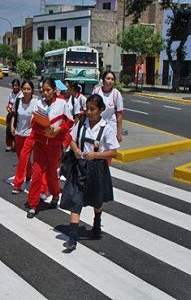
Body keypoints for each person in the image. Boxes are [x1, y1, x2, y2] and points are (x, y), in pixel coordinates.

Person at [60, 94, 119, 251]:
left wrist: (96, 155)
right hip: (80, 167)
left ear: (100, 110)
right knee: (76, 201)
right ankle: (72, 238)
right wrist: (76, 149)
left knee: (97, 201)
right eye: (87, 108)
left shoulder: (107, 128)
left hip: (97, 169)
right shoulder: (80, 124)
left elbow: (113, 152)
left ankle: (97, 222)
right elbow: (71, 139)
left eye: (93, 109)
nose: (89, 112)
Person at [26, 78, 74, 218]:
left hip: (54, 145)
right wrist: (43, 132)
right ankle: (33, 204)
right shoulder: (38, 103)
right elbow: (34, 124)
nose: (45, 93)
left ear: (54, 90)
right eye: (43, 90)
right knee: (37, 174)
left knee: (52, 173)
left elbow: (69, 122)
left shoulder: (62, 104)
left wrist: (59, 129)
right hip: (40, 144)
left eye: (48, 90)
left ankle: (55, 194)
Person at [10, 80, 38, 193]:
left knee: (23, 158)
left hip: (29, 135)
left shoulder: (35, 103)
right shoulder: (18, 101)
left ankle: (17, 184)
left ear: (32, 91)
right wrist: (12, 126)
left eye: (28, 89)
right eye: (24, 89)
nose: (26, 91)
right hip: (18, 133)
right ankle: (29, 173)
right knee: (20, 157)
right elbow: (14, 115)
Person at [92, 71, 124, 143]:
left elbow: (119, 115)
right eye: (108, 78)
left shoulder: (116, 94)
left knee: (110, 151)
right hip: (97, 127)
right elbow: (90, 110)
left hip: (111, 128)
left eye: (112, 79)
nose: (110, 81)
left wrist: (119, 133)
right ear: (103, 80)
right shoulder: (96, 91)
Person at [5, 79, 21, 152]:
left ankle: (16, 145)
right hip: (11, 114)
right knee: (8, 130)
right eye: (13, 86)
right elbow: (9, 103)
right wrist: (8, 107)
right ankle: (9, 145)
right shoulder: (11, 94)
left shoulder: (21, 95)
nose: (15, 87)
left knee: (16, 130)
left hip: (17, 115)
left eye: (16, 86)